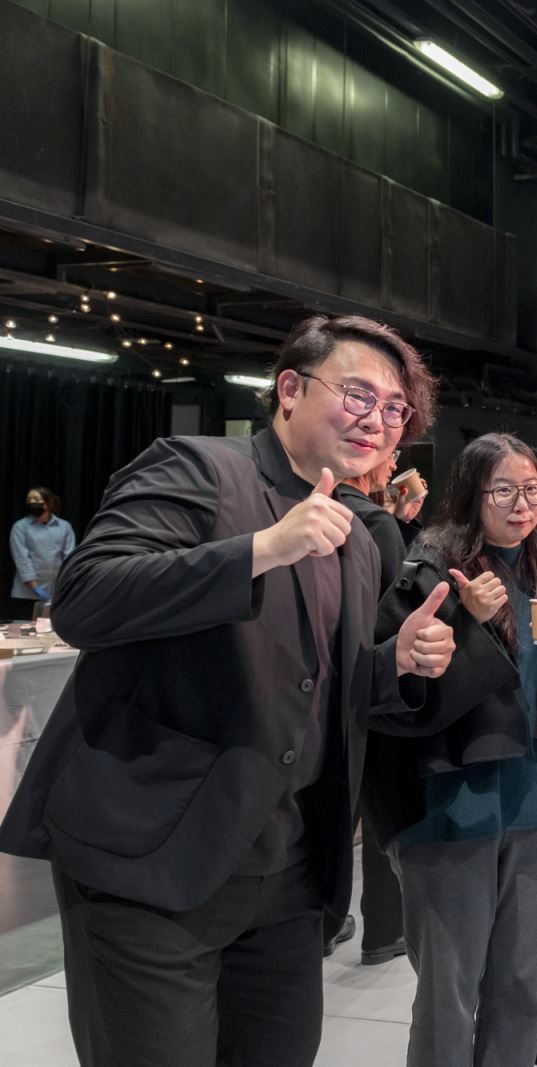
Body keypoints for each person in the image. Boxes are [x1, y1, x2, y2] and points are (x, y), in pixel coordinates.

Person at [0, 315, 455, 1067]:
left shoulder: (357, 536)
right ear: (290, 390)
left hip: (288, 874)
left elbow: (314, 688)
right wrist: (261, 549)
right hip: (152, 863)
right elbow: (84, 598)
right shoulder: (197, 468)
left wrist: (393, 663)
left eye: (395, 409)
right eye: (358, 395)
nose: (378, 419)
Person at [366, 432, 537, 1067]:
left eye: (532, 489)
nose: (522, 504)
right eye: (504, 490)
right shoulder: (430, 570)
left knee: (520, 983)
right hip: (452, 806)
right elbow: (398, 697)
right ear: (470, 494)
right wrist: (465, 622)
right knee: (449, 992)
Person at [329, 454, 408, 965]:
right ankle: (383, 930)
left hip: (318, 696)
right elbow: (396, 613)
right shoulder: (373, 523)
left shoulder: (311, 508)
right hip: (371, 688)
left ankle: (327, 918)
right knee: (380, 812)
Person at [8, 485, 75, 619]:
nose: (32, 502)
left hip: (56, 591)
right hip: (27, 593)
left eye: (36, 499)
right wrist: (35, 587)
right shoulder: (20, 527)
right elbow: (22, 558)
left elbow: (70, 557)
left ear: (48, 502)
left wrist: (66, 586)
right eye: (30, 500)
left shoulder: (64, 527)